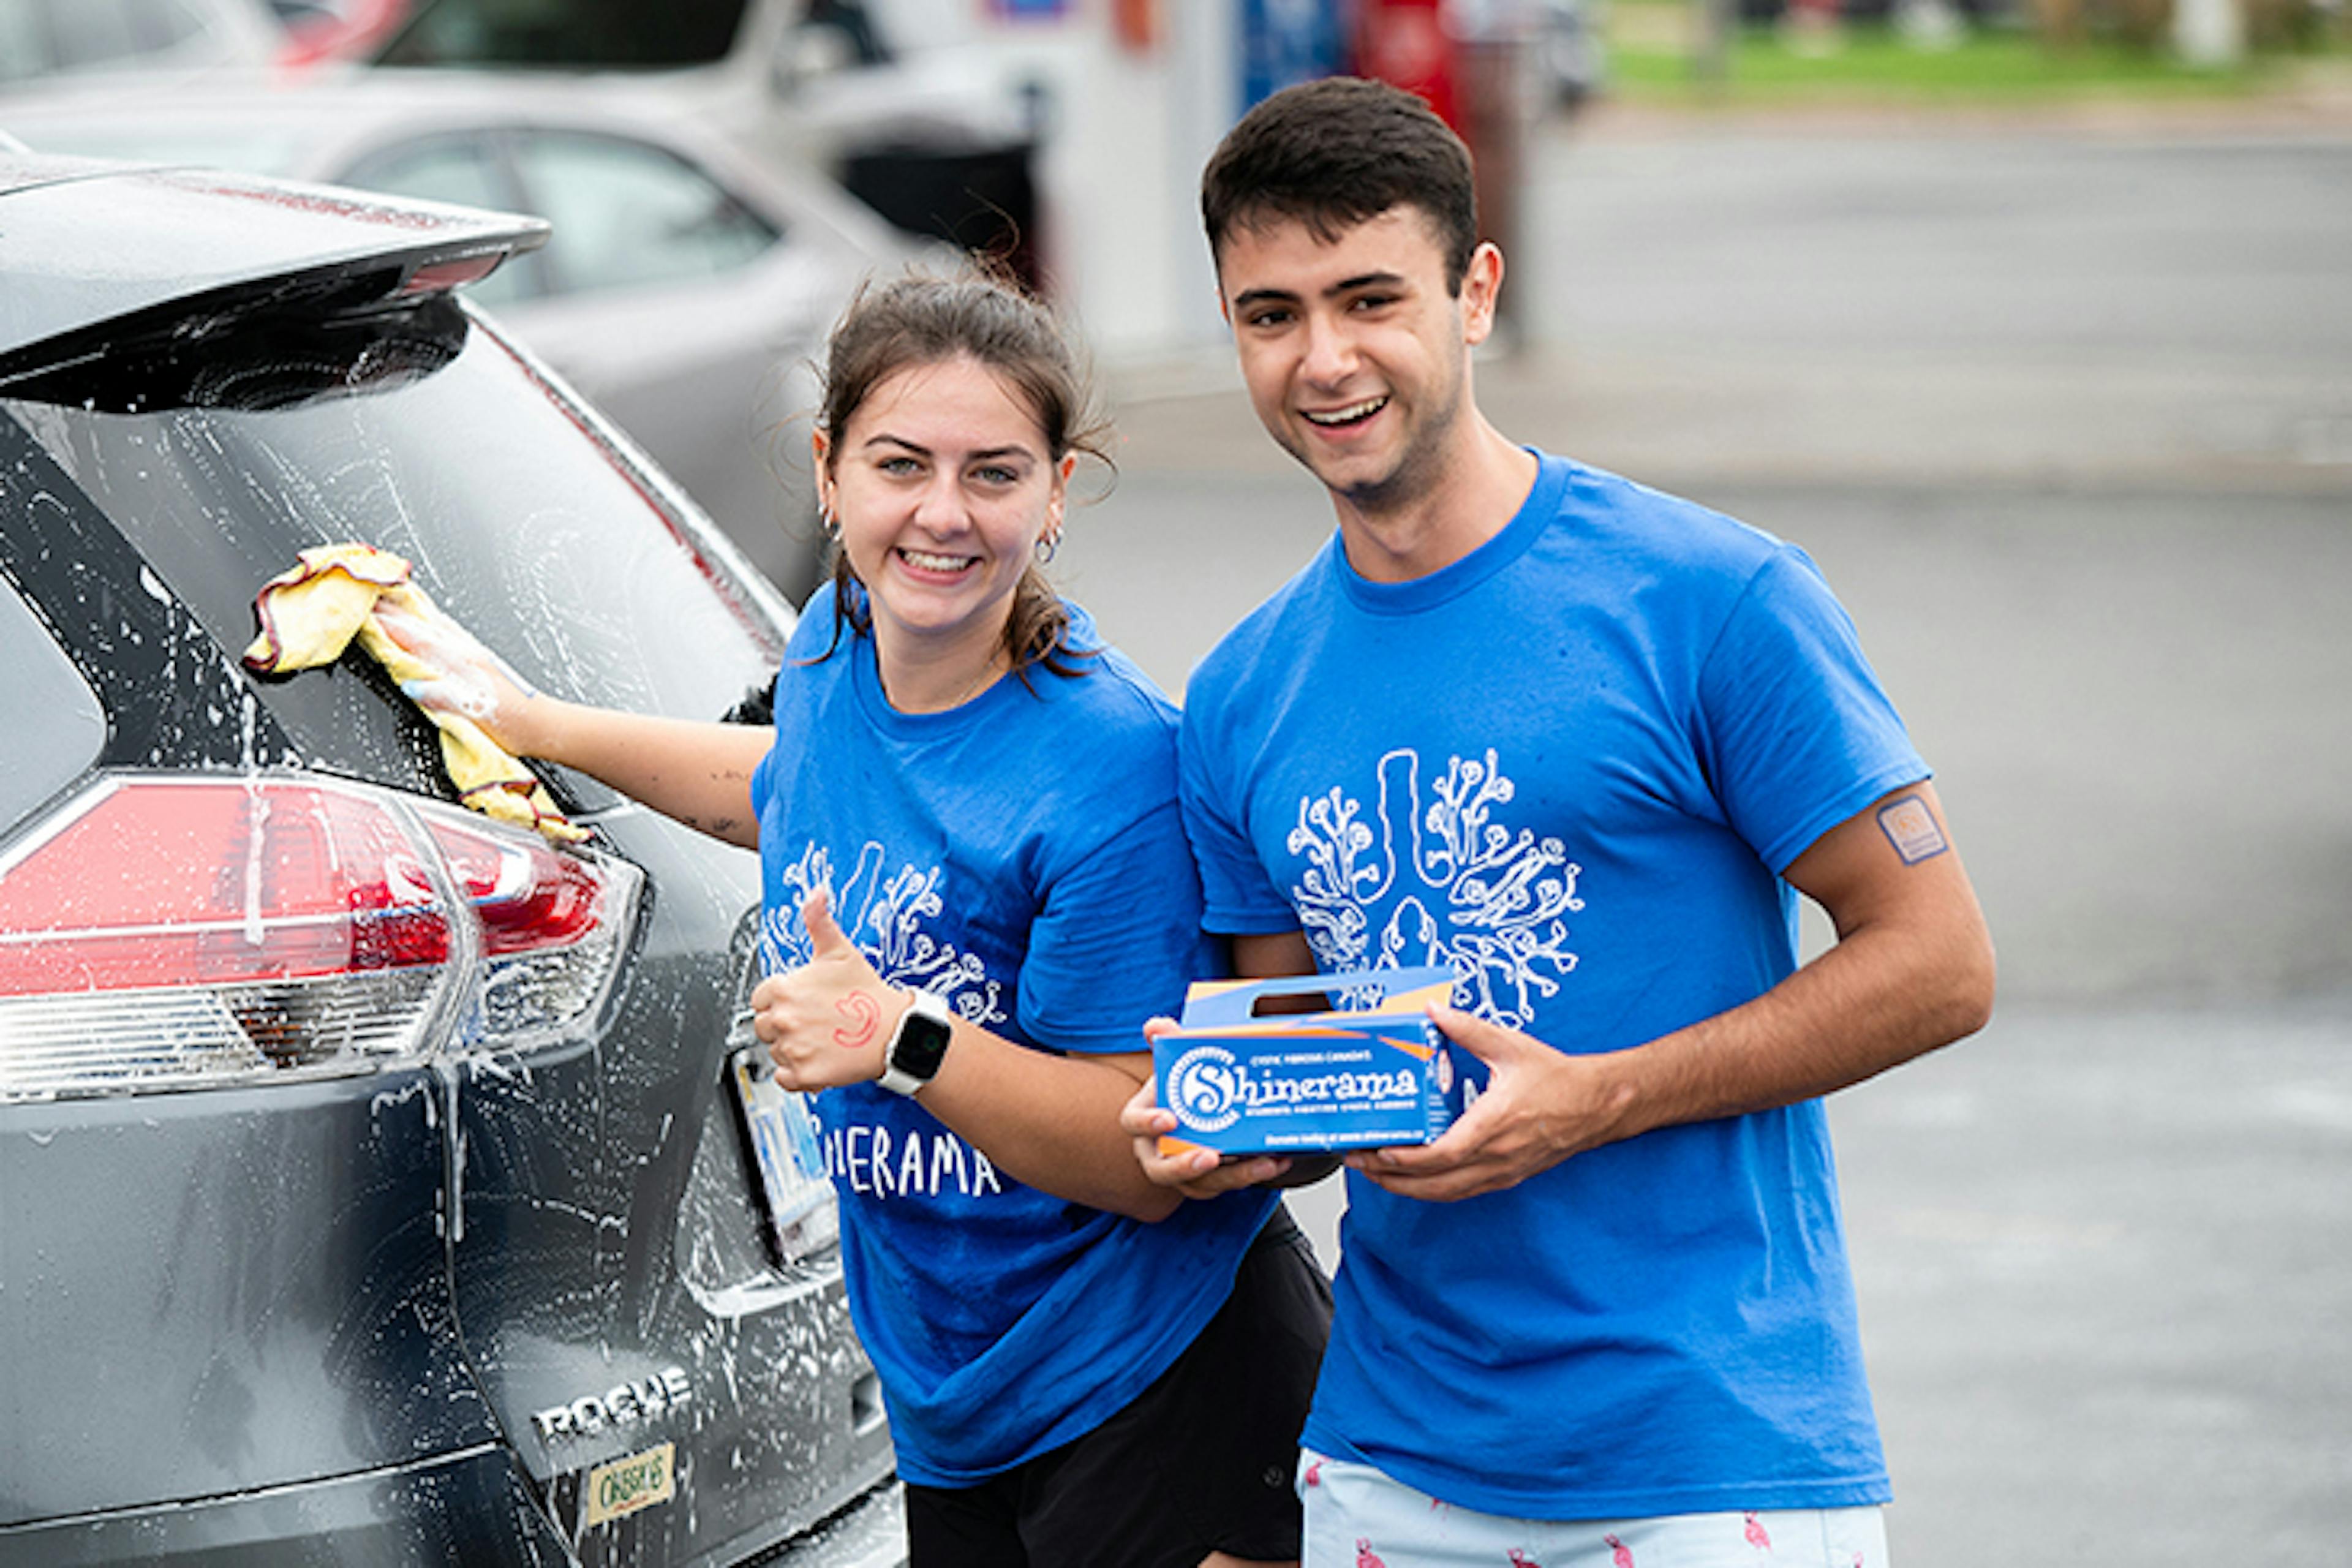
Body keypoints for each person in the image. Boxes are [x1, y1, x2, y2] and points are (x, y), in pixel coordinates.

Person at [1123, 77, 1996, 1567]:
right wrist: (1221, 1130)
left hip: (1706, 1457)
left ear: (1476, 292)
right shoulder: (1243, 693)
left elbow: (1939, 961)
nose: (1324, 360)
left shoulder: (1712, 599)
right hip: (1388, 1460)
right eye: (1270, 314)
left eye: (1369, 298)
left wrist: (1600, 1094)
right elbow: (1294, 1062)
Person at [391, 271, 1330, 1568]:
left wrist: (904, 1038)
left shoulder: (1107, 775)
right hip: (956, 1398)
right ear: (831, 474)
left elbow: (1142, 1156)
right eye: (901, 465)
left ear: (1057, 494)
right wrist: (534, 722)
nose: (942, 513)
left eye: (993, 473)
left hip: (1162, 1381)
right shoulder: (838, 649)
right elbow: (786, 783)